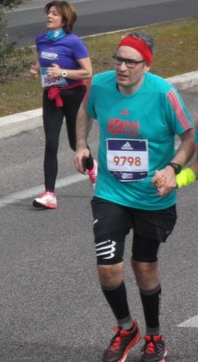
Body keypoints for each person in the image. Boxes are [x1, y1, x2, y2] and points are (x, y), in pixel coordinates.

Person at [74, 32, 195, 362]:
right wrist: (81, 144)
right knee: (108, 268)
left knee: (144, 267)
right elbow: (85, 110)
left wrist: (173, 168)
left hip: (153, 197)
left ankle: (154, 336)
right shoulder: (100, 85)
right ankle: (126, 329)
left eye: (131, 61)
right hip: (111, 192)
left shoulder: (163, 94)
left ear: (146, 65)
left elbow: (188, 137)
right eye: (118, 59)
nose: (122, 67)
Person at [29, 0, 95, 209]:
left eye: (55, 14)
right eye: (48, 12)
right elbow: (43, 61)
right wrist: (36, 69)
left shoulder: (74, 42)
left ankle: (93, 171)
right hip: (51, 95)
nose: (49, 16)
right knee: (51, 143)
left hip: (75, 94)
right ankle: (49, 194)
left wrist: (63, 73)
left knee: (75, 143)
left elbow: (88, 72)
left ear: (65, 19)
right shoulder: (41, 40)